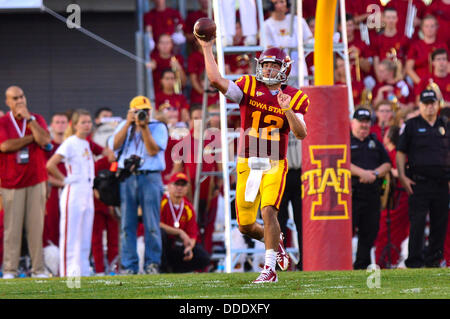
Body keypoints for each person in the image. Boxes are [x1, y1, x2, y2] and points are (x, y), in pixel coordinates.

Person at [197, 34, 309, 283]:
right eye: (266, 64)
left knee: (269, 211)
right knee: (246, 225)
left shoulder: (294, 95)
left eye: (274, 65)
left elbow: (301, 134)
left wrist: (287, 109)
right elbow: (215, 80)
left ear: (284, 69)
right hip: (247, 160)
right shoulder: (248, 86)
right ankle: (275, 243)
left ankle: (269, 270)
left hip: (274, 162)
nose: (269, 69)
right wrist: (207, 47)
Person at [111, 96, 168, 275]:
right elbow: (113, 146)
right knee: (127, 224)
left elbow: (152, 150)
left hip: (150, 176)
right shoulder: (123, 126)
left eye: (145, 111)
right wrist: (129, 124)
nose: (142, 114)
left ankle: (152, 264)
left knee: (152, 223)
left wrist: (143, 128)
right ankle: (129, 265)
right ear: (130, 112)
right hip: (128, 178)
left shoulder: (158, 127)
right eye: (137, 111)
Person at [0, 86, 51, 279]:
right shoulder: (3, 122)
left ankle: (38, 269)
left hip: (36, 179)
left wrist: (30, 120)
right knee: (12, 229)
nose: (20, 100)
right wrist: (31, 139)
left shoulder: (37, 118)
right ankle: (10, 270)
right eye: (15, 98)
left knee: (36, 228)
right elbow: (5, 146)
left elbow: (45, 140)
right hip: (11, 182)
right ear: (8, 102)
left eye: (22, 96)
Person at [396, 89, 450, 268]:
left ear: (437, 105)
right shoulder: (411, 125)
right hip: (419, 183)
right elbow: (401, 152)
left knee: (439, 224)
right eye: (426, 103)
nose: (429, 107)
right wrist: (403, 176)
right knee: (417, 224)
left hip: (442, 183)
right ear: (420, 105)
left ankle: (434, 261)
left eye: (432, 103)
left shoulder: (445, 124)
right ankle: (414, 262)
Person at [45, 109, 95, 277]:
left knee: (85, 233)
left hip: (87, 191)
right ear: (74, 125)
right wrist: (64, 179)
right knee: (70, 234)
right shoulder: (70, 142)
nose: (87, 125)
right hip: (73, 192)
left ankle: (83, 270)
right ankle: (68, 273)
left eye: (89, 122)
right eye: (83, 122)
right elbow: (51, 164)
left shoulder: (86, 143)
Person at [350, 107, 392, 270]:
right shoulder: (346, 141)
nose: (364, 126)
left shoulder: (375, 142)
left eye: (367, 122)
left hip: (372, 194)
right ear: (353, 123)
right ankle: (344, 265)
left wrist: (374, 173)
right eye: (361, 122)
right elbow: (341, 162)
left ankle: (362, 265)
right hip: (352, 194)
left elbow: (387, 164)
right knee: (347, 233)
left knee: (369, 232)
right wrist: (362, 173)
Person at [374, 125, 410, 268]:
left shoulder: (394, 154)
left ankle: (386, 260)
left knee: (388, 230)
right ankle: (388, 259)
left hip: (397, 197)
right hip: (394, 196)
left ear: (388, 138)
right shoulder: (393, 153)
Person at [160, 172, 211, 273]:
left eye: (183, 185)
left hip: (179, 244)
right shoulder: (162, 202)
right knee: (161, 235)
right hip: (166, 244)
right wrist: (179, 232)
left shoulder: (188, 208)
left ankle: (178, 270)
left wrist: (189, 248)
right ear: (169, 186)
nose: (179, 188)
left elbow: (192, 235)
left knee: (204, 257)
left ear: (187, 188)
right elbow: (157, 224)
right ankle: (163, 268)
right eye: (176, 184)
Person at [264, 0, 313, 85]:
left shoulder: (297, 20)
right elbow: (267, 49)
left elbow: (309, 40)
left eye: (282, 2)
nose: (279, 6)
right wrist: (282, 47)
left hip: (298, 62)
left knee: (301, 92)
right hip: (279, 66)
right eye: (276, 3)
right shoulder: (267, 25)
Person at [277, 131, 303, 270]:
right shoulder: (272, 114)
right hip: (279, 171)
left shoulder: (301, 114)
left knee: (302, 222)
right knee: (279, 221)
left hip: (300, 171)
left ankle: (305, 261)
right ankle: (280, 263)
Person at [43, 113, 69, 249]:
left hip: (71, 192)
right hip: (53, 192)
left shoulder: (72, 145)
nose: (60, 125)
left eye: (63, 122)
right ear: (52, 126)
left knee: (70, 226)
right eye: (57, 122)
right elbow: (43, 172)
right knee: (52, 225)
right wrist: (63, 183)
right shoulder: (48, 147)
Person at [405, 14, 448, 87]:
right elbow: (409, 69)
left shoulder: (442, 45)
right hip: (421, 84)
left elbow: (448, 65)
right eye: (426, 26)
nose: (429, 29)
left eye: (432, 26)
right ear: (422, 28)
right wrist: (422, 85)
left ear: (437, 27)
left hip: (440, 84)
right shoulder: (415, 46)